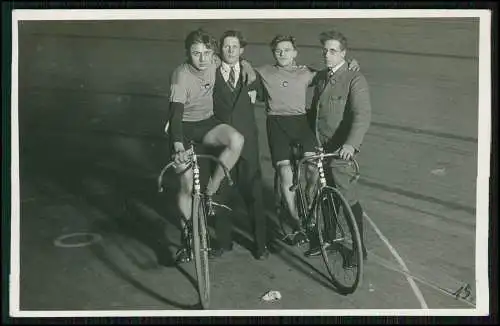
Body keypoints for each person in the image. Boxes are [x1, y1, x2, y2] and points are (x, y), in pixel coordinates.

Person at [253, 35, 359, 246]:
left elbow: (331, 74)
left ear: (295, 52)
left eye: (286, 50)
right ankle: (295, 221)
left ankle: (310, 194)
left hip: (301, 123)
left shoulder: (306, 72)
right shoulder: (264, 72)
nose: (282, 54)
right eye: (278, 51)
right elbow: (241, 72)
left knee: (313, 167)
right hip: (277, 125)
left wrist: (350, 65)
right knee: (285, 173)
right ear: (274, 54)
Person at [166, 28, 256, 264]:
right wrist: (177, 145)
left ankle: (212, 189)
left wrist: (246, 66)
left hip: (207, 124)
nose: (203, 59)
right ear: (187, 53)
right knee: (186, 186)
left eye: (207, 53)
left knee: (236, 140)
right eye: (196, 53)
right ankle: (188, 238)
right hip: (183, 129)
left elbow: (235, 60)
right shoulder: (180, 77)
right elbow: (175, 115)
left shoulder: (214, 61)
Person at [305, 29, 371, 263]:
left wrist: (351, 145)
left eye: (333, 51)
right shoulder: (322, 77)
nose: (327, 55)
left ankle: (359, 249)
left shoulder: (354, 78)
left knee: (347, 197)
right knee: (326, 195)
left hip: (341, 150)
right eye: (325, 51)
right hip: (321, 147)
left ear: (343, 53)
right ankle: (330, 239)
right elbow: (315, 111)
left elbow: (362, 115)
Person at [209, 30, 270, 260]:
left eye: (235, 47)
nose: (231, 51)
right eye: (226, 46)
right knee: (222, 193)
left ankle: (261, 245)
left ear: (242, 50)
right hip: (223, 145)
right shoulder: (211, 73)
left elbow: (265, 93)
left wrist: (251, 71)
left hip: (248, 145)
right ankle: (224, 242)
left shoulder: (250, 74)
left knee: (255, 195)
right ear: (219, 50)